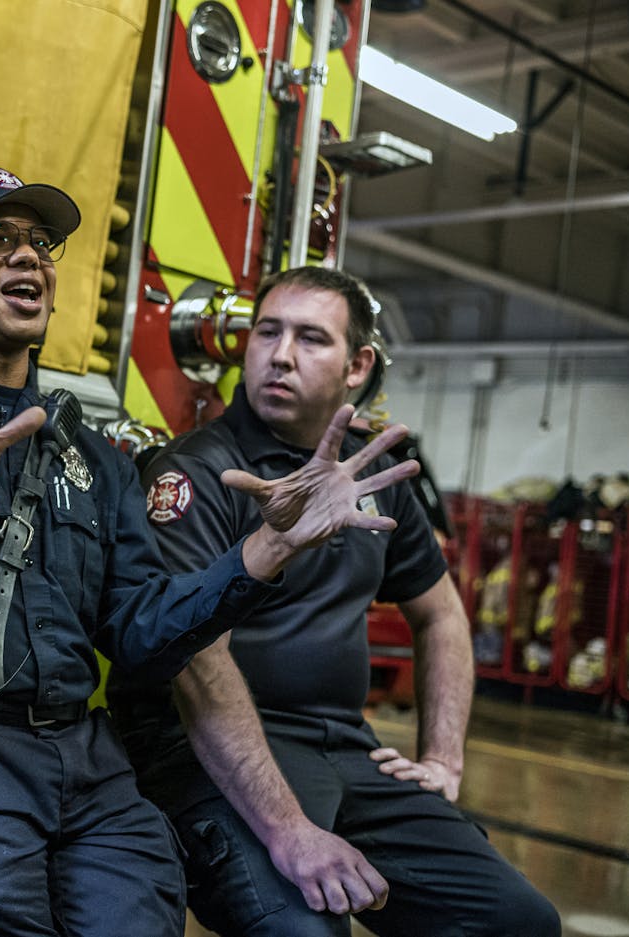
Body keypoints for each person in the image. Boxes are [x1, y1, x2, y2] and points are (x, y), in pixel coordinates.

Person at [0, 168, 419, 937]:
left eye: (41, 243)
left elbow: (138, 633)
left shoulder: (91, 454)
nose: (27, 258)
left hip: (86, 761)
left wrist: (265, 549)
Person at [108, 265, 561, 936]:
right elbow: (196, 660)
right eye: (268, 332)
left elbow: (440, 614)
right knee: (306, 929)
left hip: (348, 748)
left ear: (359, 365)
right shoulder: (202, 470)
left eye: (311, 338)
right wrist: (289, 831)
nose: (281, 354)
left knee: (520, 920)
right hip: (212, 755)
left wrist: (442, 758)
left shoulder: (372, 473)